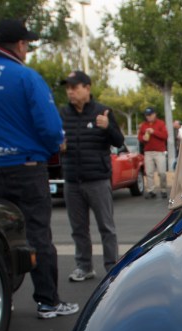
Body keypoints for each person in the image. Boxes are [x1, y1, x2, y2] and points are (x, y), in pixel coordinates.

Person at [0, 18, 78, 320]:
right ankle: (48, 301)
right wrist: (57, 144)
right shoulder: (26, 77)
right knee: (38, 234)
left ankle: (0, 298)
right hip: (27, 166)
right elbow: (50, 127)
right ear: (21, 45)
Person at [57, 70, 123, 283]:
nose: (70, 92)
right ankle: (84, 266)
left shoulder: (102, 111)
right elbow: (53, 139)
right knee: (78, 229)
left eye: (74, 87)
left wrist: (107, 128)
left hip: (97, 179)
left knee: (106, 226)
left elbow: (118, 141)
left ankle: (112, 267)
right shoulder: (62, 114)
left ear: (87, 88)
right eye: (68, 88)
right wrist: (57, 144)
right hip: (72, 180)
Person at [137, 107, 168, 198]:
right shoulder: (143, 125)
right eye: (147, 115)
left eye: (150, 115)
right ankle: (151, 190)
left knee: (162, 172)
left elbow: (165, 136)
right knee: (149, 172)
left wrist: (153, 132)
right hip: (148, 152)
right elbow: (139, 137)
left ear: (154, 114)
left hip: (159, 152)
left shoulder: (161, 123)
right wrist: (143, 138)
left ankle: (163, 189)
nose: (148, 117)